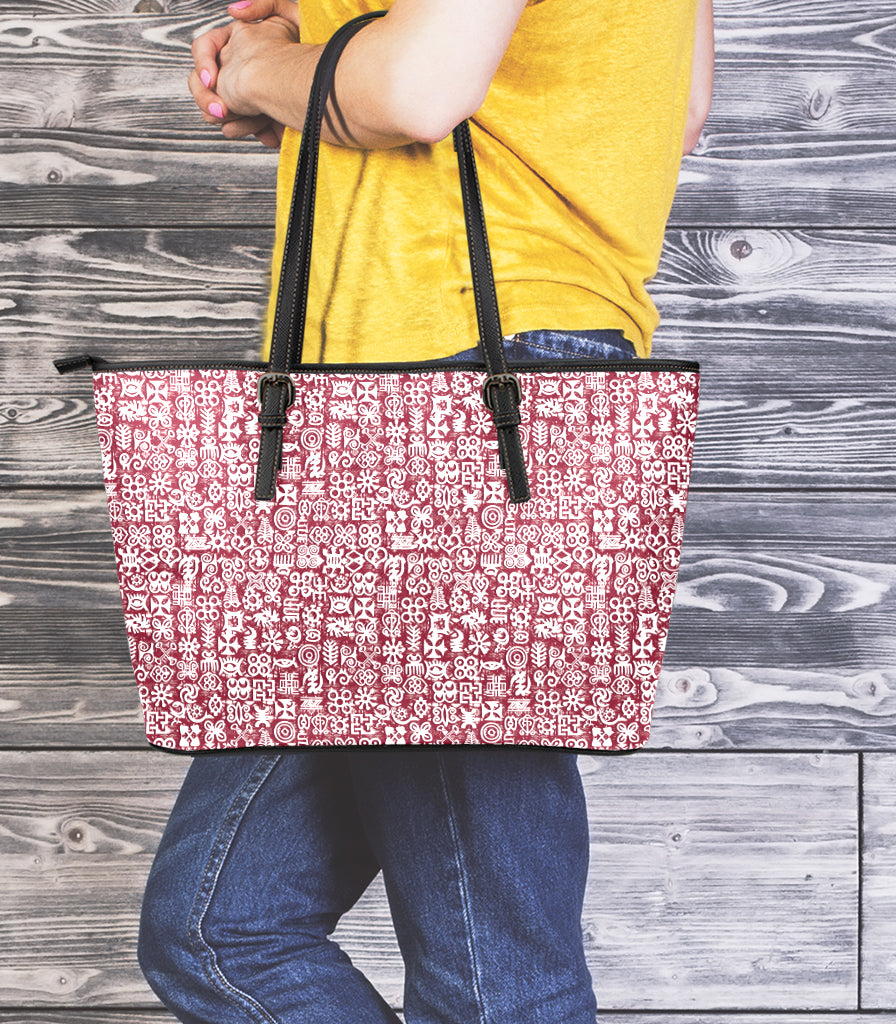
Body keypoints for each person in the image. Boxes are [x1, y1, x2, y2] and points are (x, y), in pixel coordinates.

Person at [137, 2, 714, 1023]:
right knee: (218, 927)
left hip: (451, 390)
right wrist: (310, 71)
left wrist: (264, 67)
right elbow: (668, 106)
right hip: (408, 402)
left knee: (495, 981)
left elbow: (415, 90)